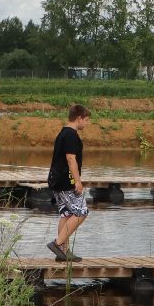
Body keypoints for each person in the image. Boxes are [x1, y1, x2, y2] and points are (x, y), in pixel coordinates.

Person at [46, 104, 90, 262]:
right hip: (67, 182)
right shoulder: (71, 135)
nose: (87, 123)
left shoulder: (62, 133)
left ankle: (63, 253)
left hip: (57, 180)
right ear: (79, 118)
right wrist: (77, 181)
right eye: (86, 120)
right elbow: (71, 158)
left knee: (66, 214)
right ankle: (58, 244)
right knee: (81, 212)